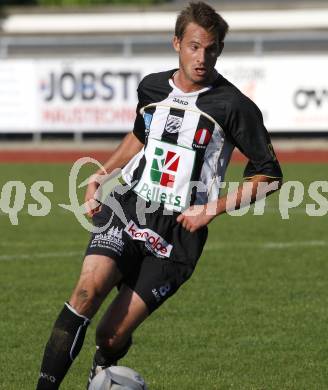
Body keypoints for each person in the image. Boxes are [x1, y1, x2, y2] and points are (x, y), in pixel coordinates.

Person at [36, 2, 283, 389]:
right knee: (85, 291)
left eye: (212, 49)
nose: (203, 57)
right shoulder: (151, 87)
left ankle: (101, 367)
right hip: (131, 207)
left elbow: (269, 175)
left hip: (179, 233)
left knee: (111, 335)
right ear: (177, 44)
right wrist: (103, 174)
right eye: (195, 47)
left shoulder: (234, 106)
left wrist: (210, 210)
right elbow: (140, 134)